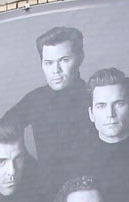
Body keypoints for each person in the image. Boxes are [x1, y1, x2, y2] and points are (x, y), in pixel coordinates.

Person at [6, 26, 94, 172]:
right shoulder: (35, 100)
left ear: (80, 57)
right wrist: (28, 165)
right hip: (49, 188)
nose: (55, 70)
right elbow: (3, 128)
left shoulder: (96, 97)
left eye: (64, 60)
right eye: (49, 63)